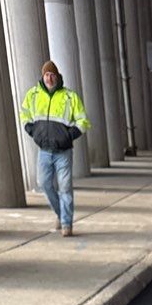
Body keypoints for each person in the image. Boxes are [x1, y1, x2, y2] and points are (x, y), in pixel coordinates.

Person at [20, 60, 90, 237]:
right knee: (43, 184)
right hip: (44, 150)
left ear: (58, 76)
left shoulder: (70, 97)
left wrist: (68, 136)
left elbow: (83, 121)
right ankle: (60, 213)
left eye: (52, 75)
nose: (49, 78)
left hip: (64, 152)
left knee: (65, 187)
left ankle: (66, 223)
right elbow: (24, 114)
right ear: (42, 77)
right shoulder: (33, 95)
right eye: (46, 75)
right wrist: (33, 131)